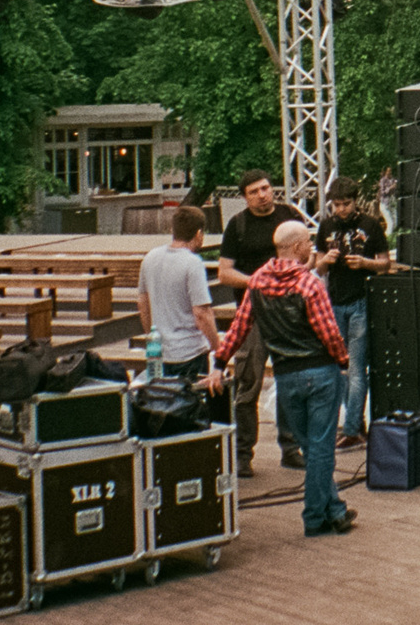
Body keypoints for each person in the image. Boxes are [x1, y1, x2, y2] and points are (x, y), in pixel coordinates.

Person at [215, 220, 355, 537]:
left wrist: (219, 360)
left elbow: (238, 328)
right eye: (308, 241)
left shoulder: (258, 282)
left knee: (311, 446)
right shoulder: (310, 285)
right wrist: (343, 361)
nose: (311, 246)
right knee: (321, 450)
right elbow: (329, 333)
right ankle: (314, 517)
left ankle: (336, 509)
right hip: (319, 372)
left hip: (286, 377)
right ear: (295, 248)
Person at [215, 169, 307, 474]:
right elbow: (225, 273)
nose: (262, 194)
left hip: (288, 314)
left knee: (289, 383)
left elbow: (306, 257)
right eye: (254, 191)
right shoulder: (237, 225)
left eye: (266, 188)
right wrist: (256, 282)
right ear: (245, 196)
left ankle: (291, 448)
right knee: (248, 384)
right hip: (252, 315)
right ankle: (243, 454)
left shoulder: (290, 216)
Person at [313, 175, 392, 450]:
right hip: (334, 302)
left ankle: (351, 429)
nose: (341, 209)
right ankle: (356, 425)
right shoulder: (326, 225)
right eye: (337, 204)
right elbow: (317, 268)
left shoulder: (370, 225)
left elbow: (385, 264)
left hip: (360, 301)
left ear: (355, 201)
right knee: (340, 367)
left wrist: (365, 263)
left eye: (346, 204)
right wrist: (326, 260)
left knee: (357, 367)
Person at [136, 204, 225, 385]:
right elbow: (201, 313)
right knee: (189, 407)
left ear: (173, 230)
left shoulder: (150, 257)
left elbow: (142, 302)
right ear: (199, 234)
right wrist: (218, 348)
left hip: (159, 351)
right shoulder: (193, 263)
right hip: (190, 352)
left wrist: (151, 336)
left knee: (162, 402)